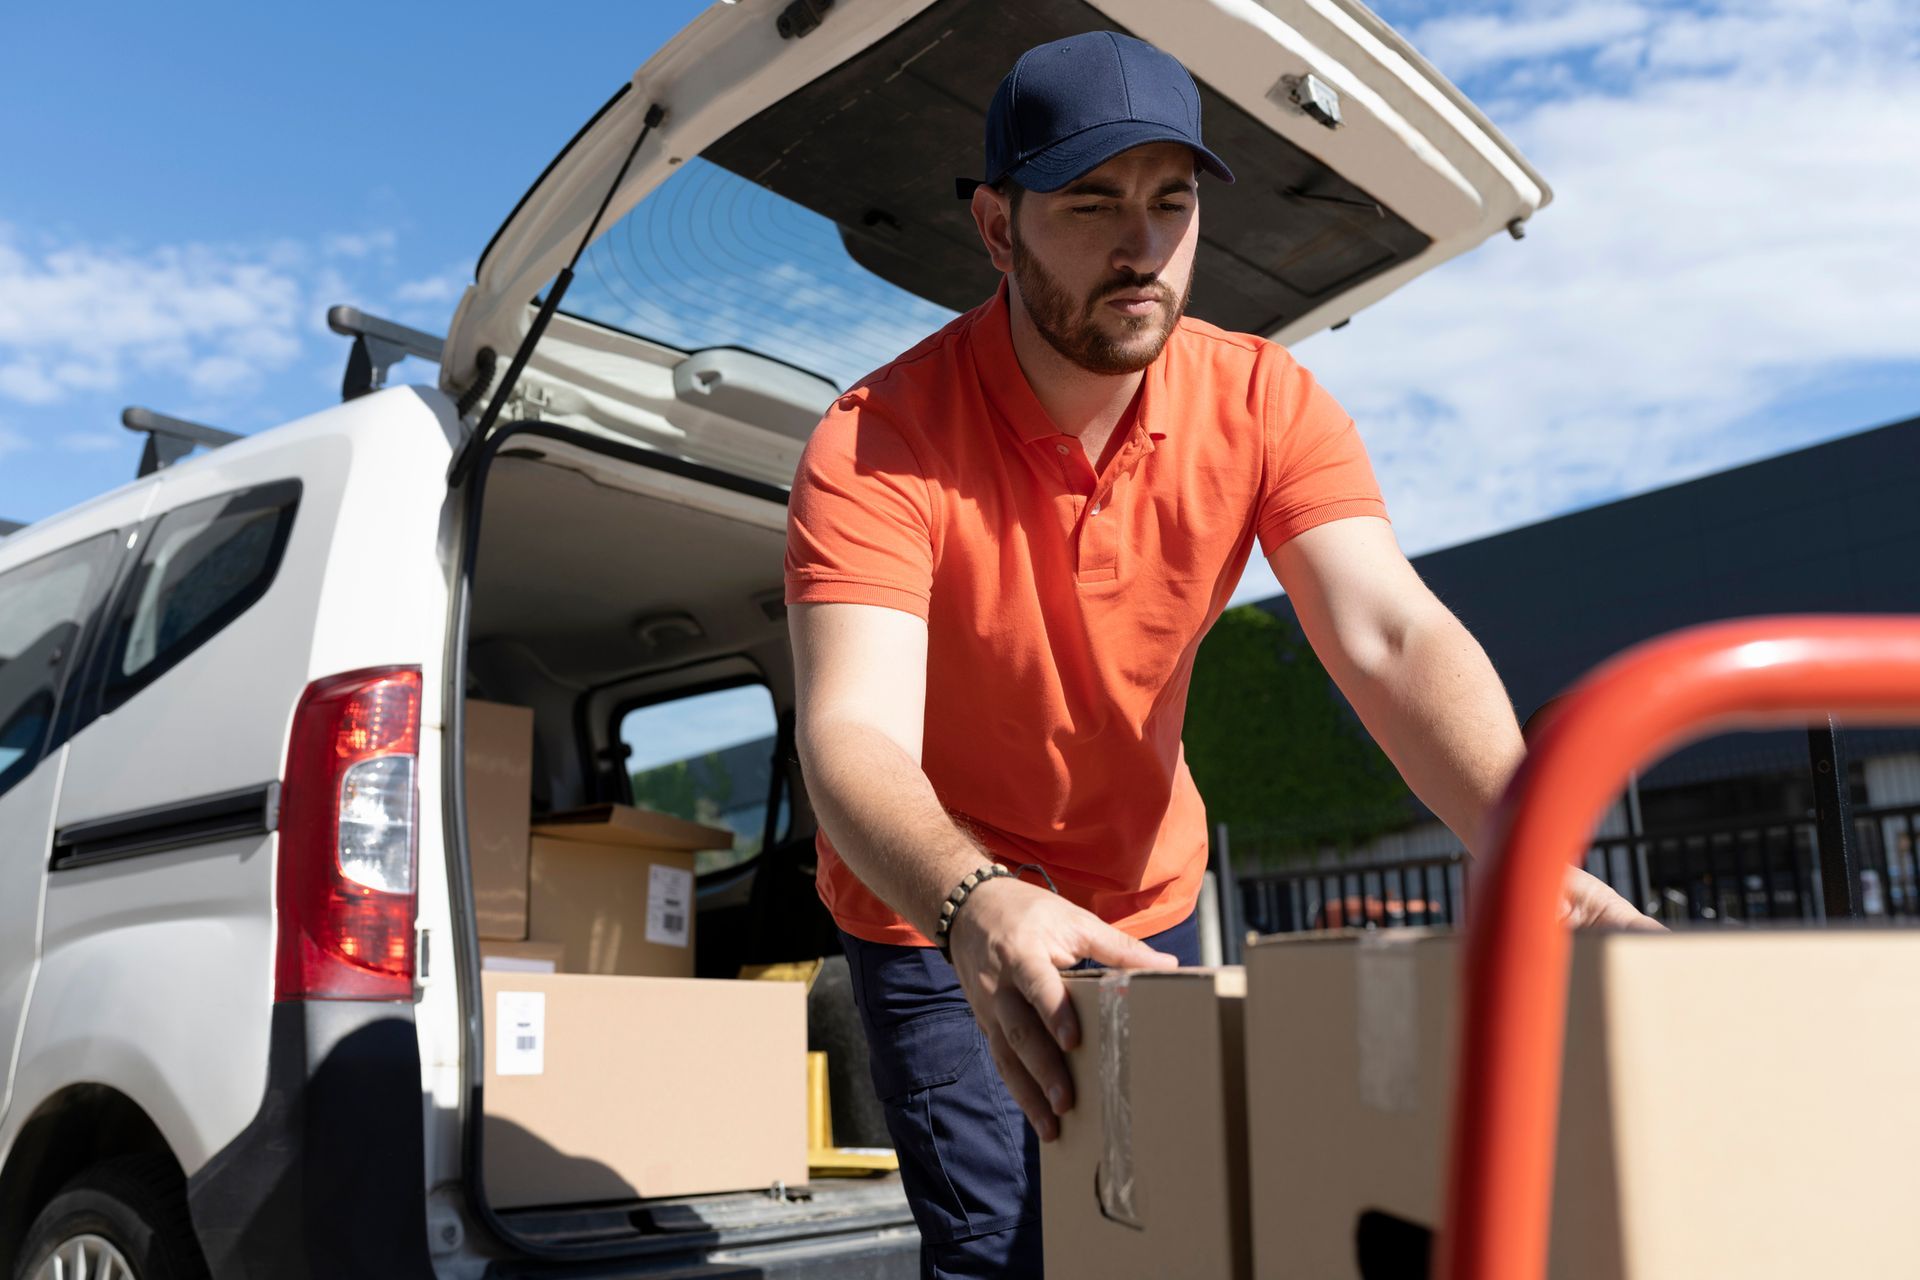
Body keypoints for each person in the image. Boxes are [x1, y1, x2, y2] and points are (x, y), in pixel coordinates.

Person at [784, 30, 1653, 1278]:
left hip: (1145, 901)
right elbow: (852, 732)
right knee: (1004, 1250)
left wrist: (1533, 848)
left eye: (1171, 202)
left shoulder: (1265, 401)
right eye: (1091, 204)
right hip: (936, 917)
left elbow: (1388, 628)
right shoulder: (874, 440)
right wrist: (975, 901)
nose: (1140, 245)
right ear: (995, 225)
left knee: (1163, 1233)